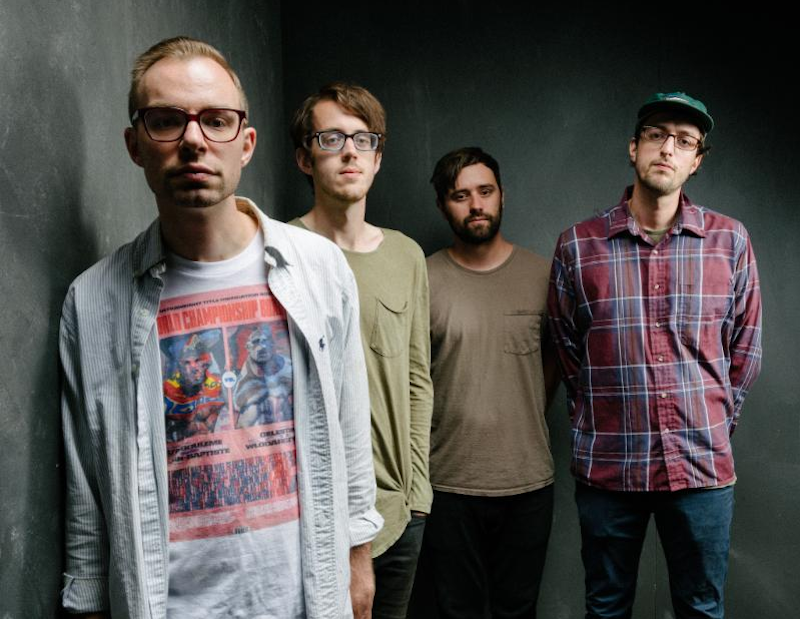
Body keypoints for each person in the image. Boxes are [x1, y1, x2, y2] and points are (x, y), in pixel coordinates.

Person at [59, 37, 381, 619]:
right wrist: (86, 599)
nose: (193, 140)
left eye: (215, 120)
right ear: (135, 146)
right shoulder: (93, 300)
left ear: (246, 143)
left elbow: (350, 423)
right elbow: (86, 481)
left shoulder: (319, 269)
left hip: (305, 599)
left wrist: (359, 561)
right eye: (166, 120)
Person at [547, 92, 762, 618]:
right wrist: (601, 417)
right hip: (609, 467)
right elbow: (567, 350)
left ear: (697, 160)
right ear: (634, 147)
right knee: (605, 608)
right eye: (656, 135)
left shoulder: (729, 241)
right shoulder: (578, 246)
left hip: (700, 467)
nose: (668, 148)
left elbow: (746, 347)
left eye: (684, 141)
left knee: (702, 608)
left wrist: (713, 422)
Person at [289, 82, 434, 619]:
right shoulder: (282, 252)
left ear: (377, 157)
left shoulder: (406, 255)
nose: (349, 151)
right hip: (312, 514)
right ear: (305, 158)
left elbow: (417, 377)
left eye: (362, 139)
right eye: (331, 139)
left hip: (396, 511)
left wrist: (417, 494)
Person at [423, 147, 558, 618]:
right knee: (453, 613)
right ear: (443, 205)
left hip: (527, 481)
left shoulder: (542, 276)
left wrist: (522, 410)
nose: (476, 204)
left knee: (517, 612)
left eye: (485, 191)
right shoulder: (423, 278)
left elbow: (555, 359)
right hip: (446, 483)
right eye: (461, 195)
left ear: (503, 195)